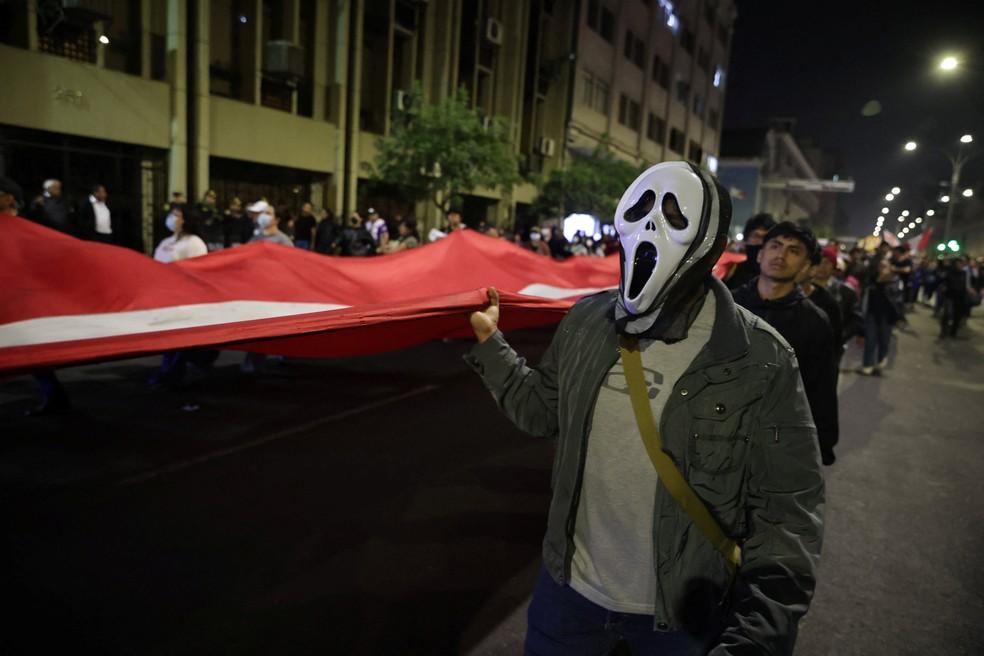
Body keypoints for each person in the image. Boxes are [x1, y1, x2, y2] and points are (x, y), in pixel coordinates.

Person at [466, 162, 823, 654]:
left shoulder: (760, 357)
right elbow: (542, 411)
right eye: (642, 209)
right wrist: (491, 345)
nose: (651, 225)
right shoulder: (588, 320)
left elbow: (788, 511)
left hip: (680, 621)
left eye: (675, 215)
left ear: (709, 241)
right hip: (568, 602)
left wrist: (758, 636)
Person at [732, 221, 838, 466]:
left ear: (806, 266)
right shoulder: (728, 305)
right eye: (775, 246)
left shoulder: (815, 321)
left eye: (794, 250)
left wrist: (821, 446)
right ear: (760, 254)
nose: (781, 255)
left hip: (775, 441)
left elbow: (821, 389)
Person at [857, 243, 898, 374]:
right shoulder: (872, 283)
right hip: (872, 314)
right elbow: (864, 296)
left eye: (885, 266)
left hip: (886, 317)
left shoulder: (894, 283)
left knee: (884, 341)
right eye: (881, 266)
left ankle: (880, 362)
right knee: (870, 340)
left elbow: (898, 301)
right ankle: (867, 365)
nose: (883, 269)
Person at [726, 213, 776, 290]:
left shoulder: (775, 273)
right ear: (746, 239)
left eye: (766, 238)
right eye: (756, 236)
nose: (761, 242)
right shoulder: (731, 268)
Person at [939, 256, 973, 339]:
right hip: (949, 296)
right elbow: (943, 282)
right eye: (958, 264)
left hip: (960, 297)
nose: (960, 265)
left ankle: (953, 332)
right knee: (947, 314)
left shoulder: (964, 273)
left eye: (961, 264)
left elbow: (965, 285)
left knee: (958, 315)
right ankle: (944, 331)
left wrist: (968, 291)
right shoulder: (949, 273)